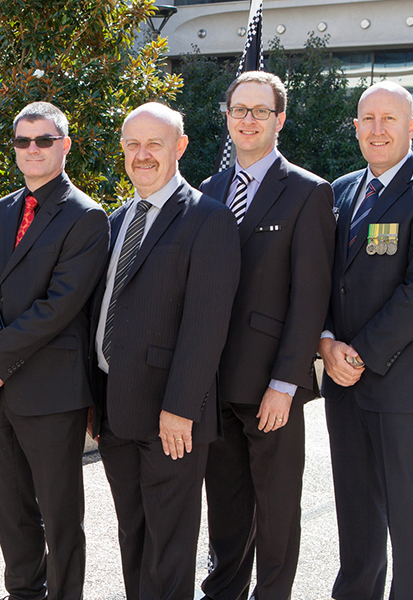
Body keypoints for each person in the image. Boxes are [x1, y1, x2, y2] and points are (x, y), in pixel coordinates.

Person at [0, 101, 109, 600]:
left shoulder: (86, 218)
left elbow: (59, 306)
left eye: (44, 140)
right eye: (23, 141)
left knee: (61, 514)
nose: (32, 150)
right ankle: (23, 591)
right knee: (10, 506)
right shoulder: (0, 212)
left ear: (65, 145)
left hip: (50, 390)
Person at [90, 103, 240, 600]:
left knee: (170, 544)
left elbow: (206, 325)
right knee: (133, 533)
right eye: (133, 144)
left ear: (180, 147)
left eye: (155, 143)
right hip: (115, 408)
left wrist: (180, 409)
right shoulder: (115, 220)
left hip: (170, 415)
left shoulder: (208, 219)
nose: (142, 154)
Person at [199, 71, 336, 600]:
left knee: (276, 510)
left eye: (260, 111)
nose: (248, 119)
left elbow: (310, 298)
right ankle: (223, 592)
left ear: (279, 119)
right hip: (214, 383)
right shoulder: (207, 190)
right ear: (228, 118)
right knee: (227, 506)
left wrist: (285, 382)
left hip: (270, 386)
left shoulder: (307, 192)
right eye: (239, 110)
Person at [319, 80, 413, 600]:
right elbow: (320, 280)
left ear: (412, 127)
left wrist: (360, 354)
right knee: (355, 518)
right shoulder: (339, 191)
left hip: (401, 387)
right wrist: (326, 340)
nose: (378, 130)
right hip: (343, 385)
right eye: (368, 119)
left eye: (390, 119)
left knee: (409, 520)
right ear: (355, 127)